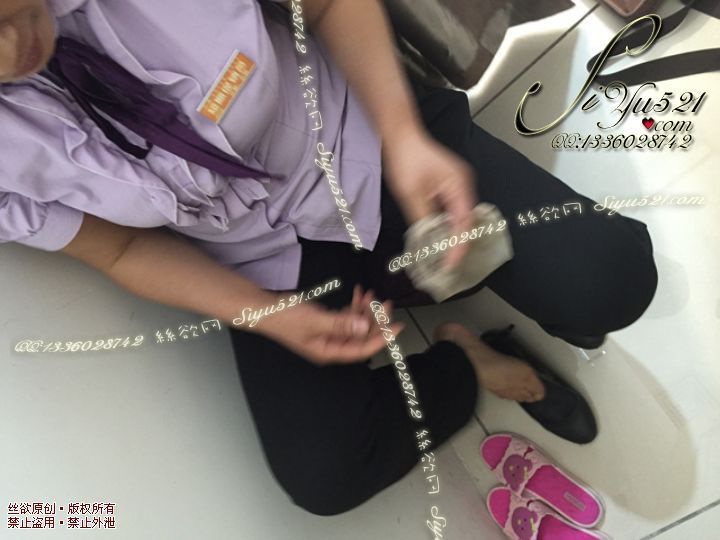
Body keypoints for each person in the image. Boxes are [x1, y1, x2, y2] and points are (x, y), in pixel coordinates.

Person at [0, 0, 658, 517]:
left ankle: (538, 298)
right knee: (328, 473)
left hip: (360, 139)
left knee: (608, 282)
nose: (7, 53)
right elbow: (120, 246)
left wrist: (403, 136)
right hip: (259, 257)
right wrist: (265, 314)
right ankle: (467, 361)